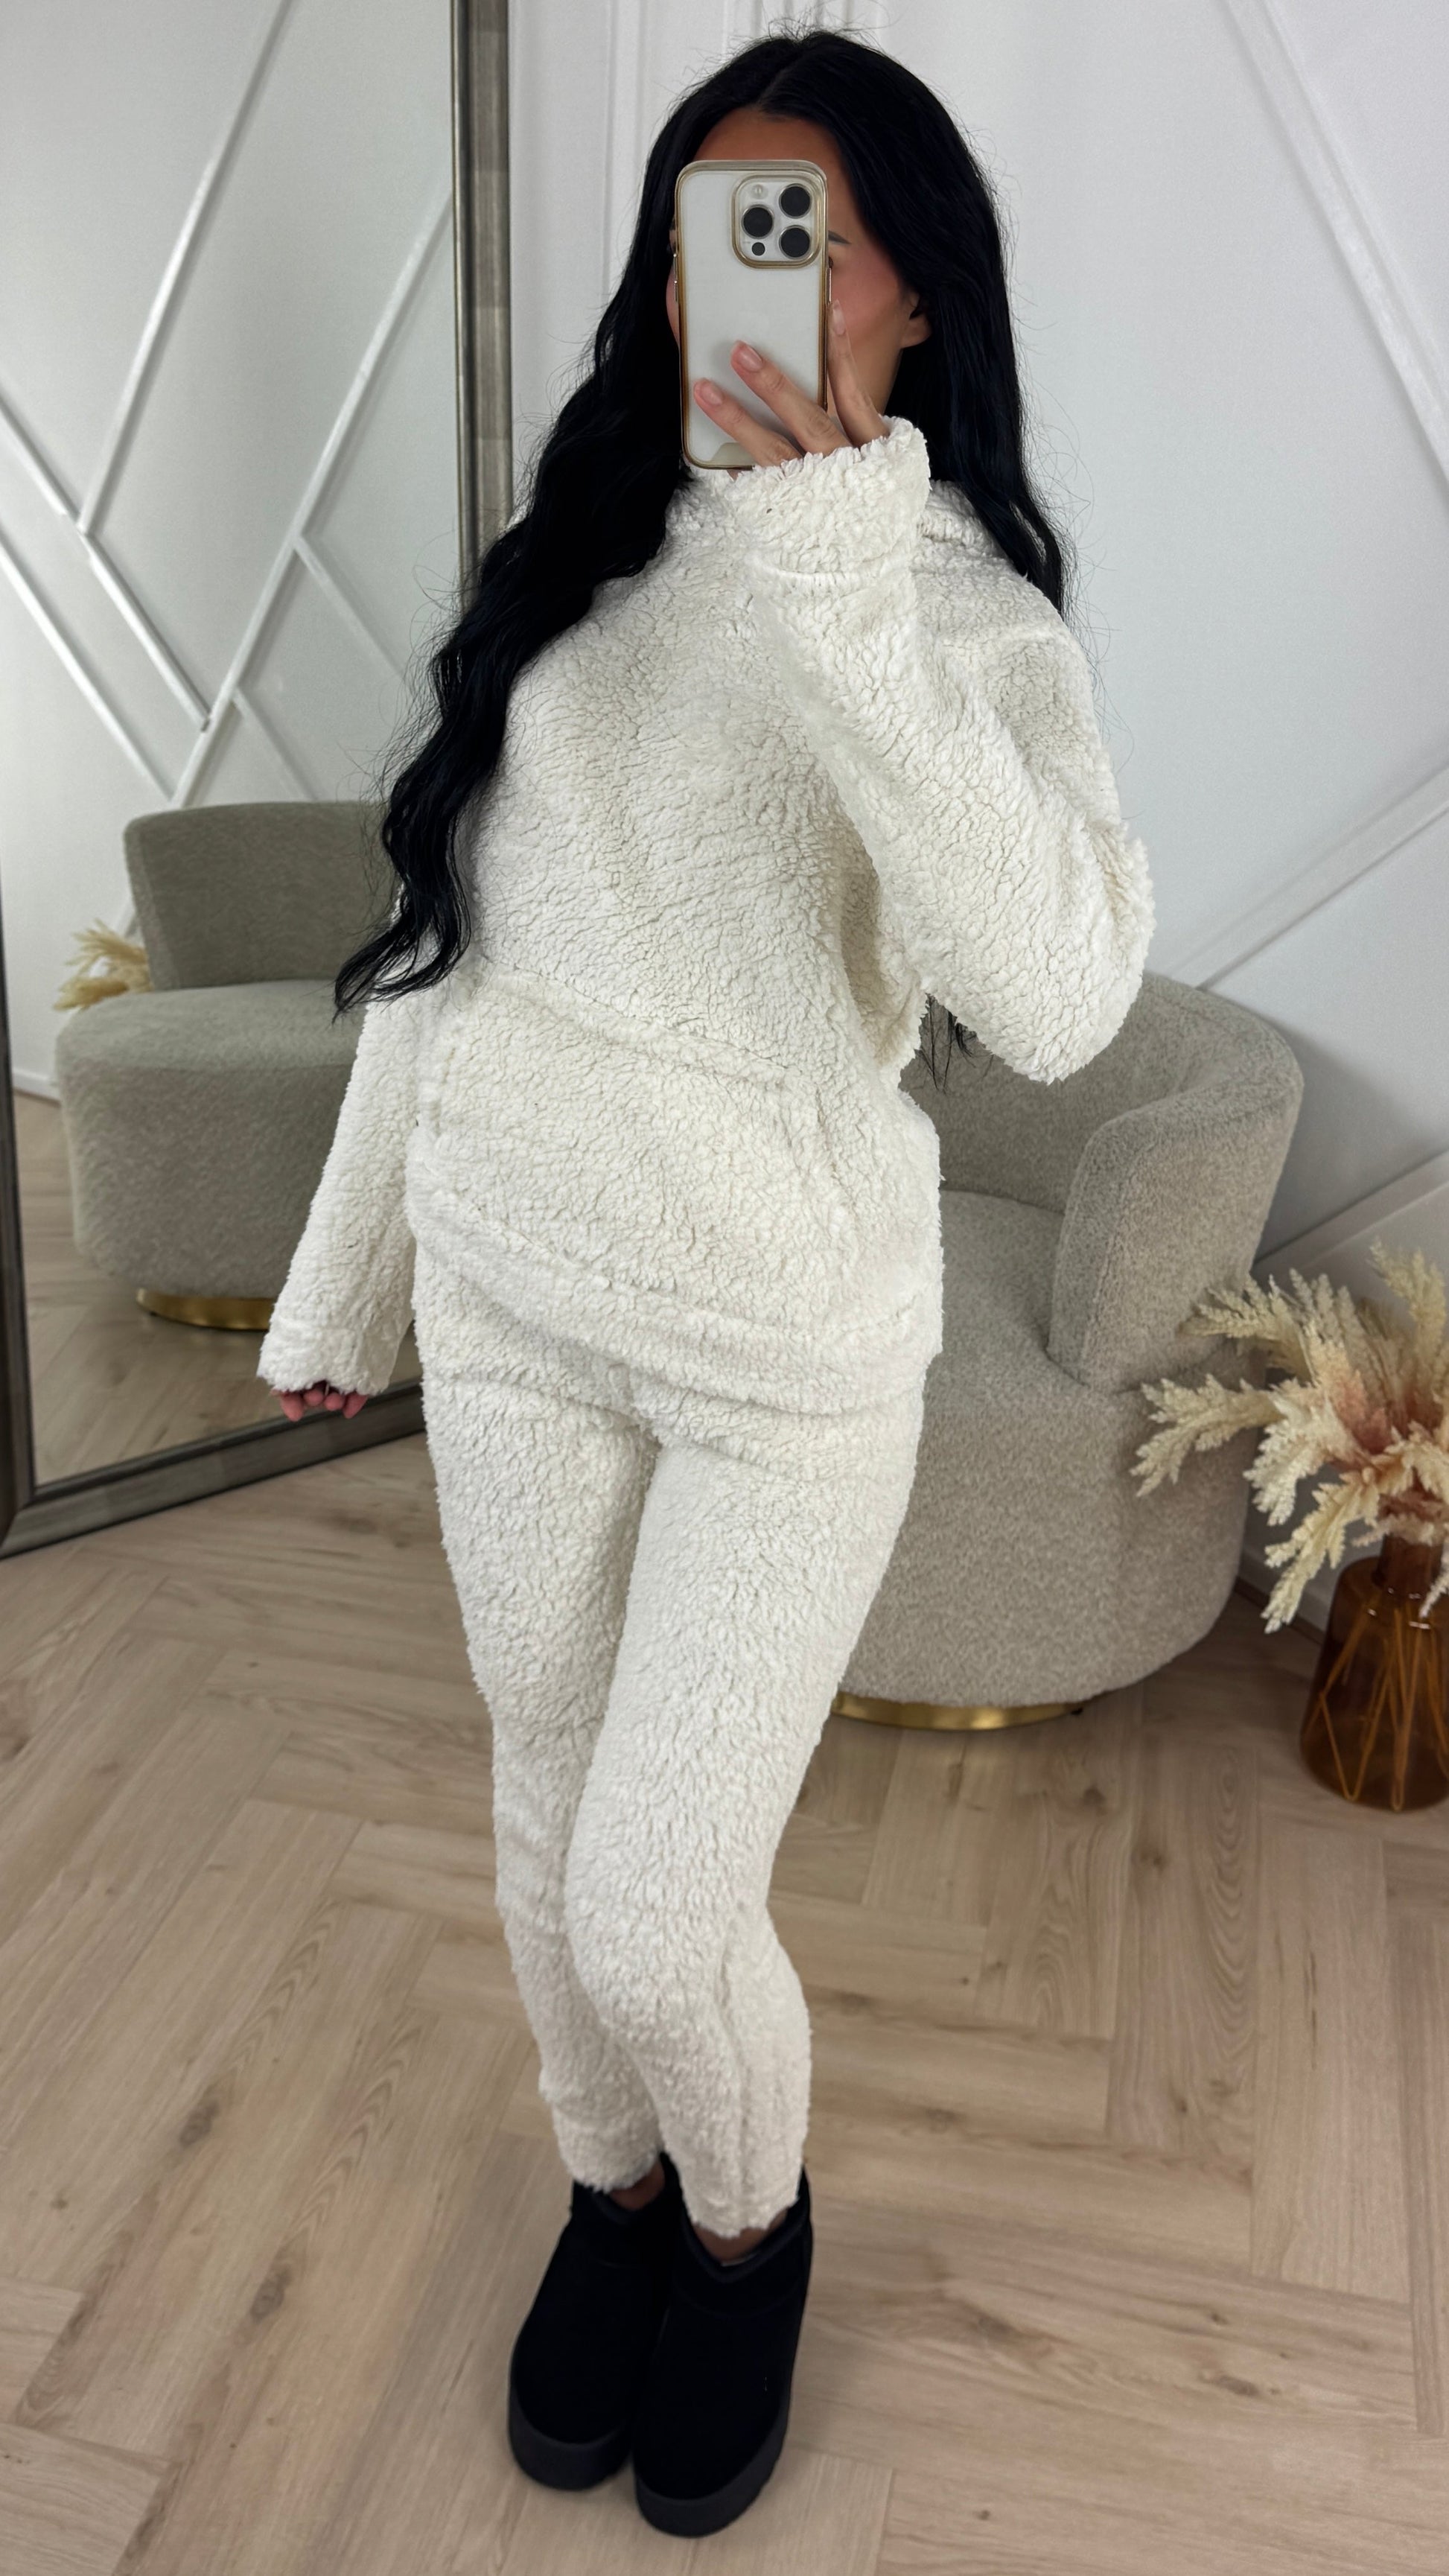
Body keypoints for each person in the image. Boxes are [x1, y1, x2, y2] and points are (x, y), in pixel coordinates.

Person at [258, 25, 1155, 2542]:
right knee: (545, 1820)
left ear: (913, 296)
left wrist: (835, 562)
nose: (743, 282)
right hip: (513, 1293)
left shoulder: (957, 614)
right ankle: (614, 2188)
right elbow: (451, 949)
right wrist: (345, 1276)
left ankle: (747, 2225)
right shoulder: (577, 549)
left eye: (807, 235)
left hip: (780, 1353)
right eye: (710, 231)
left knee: (660, 1907)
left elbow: (1055, 995)